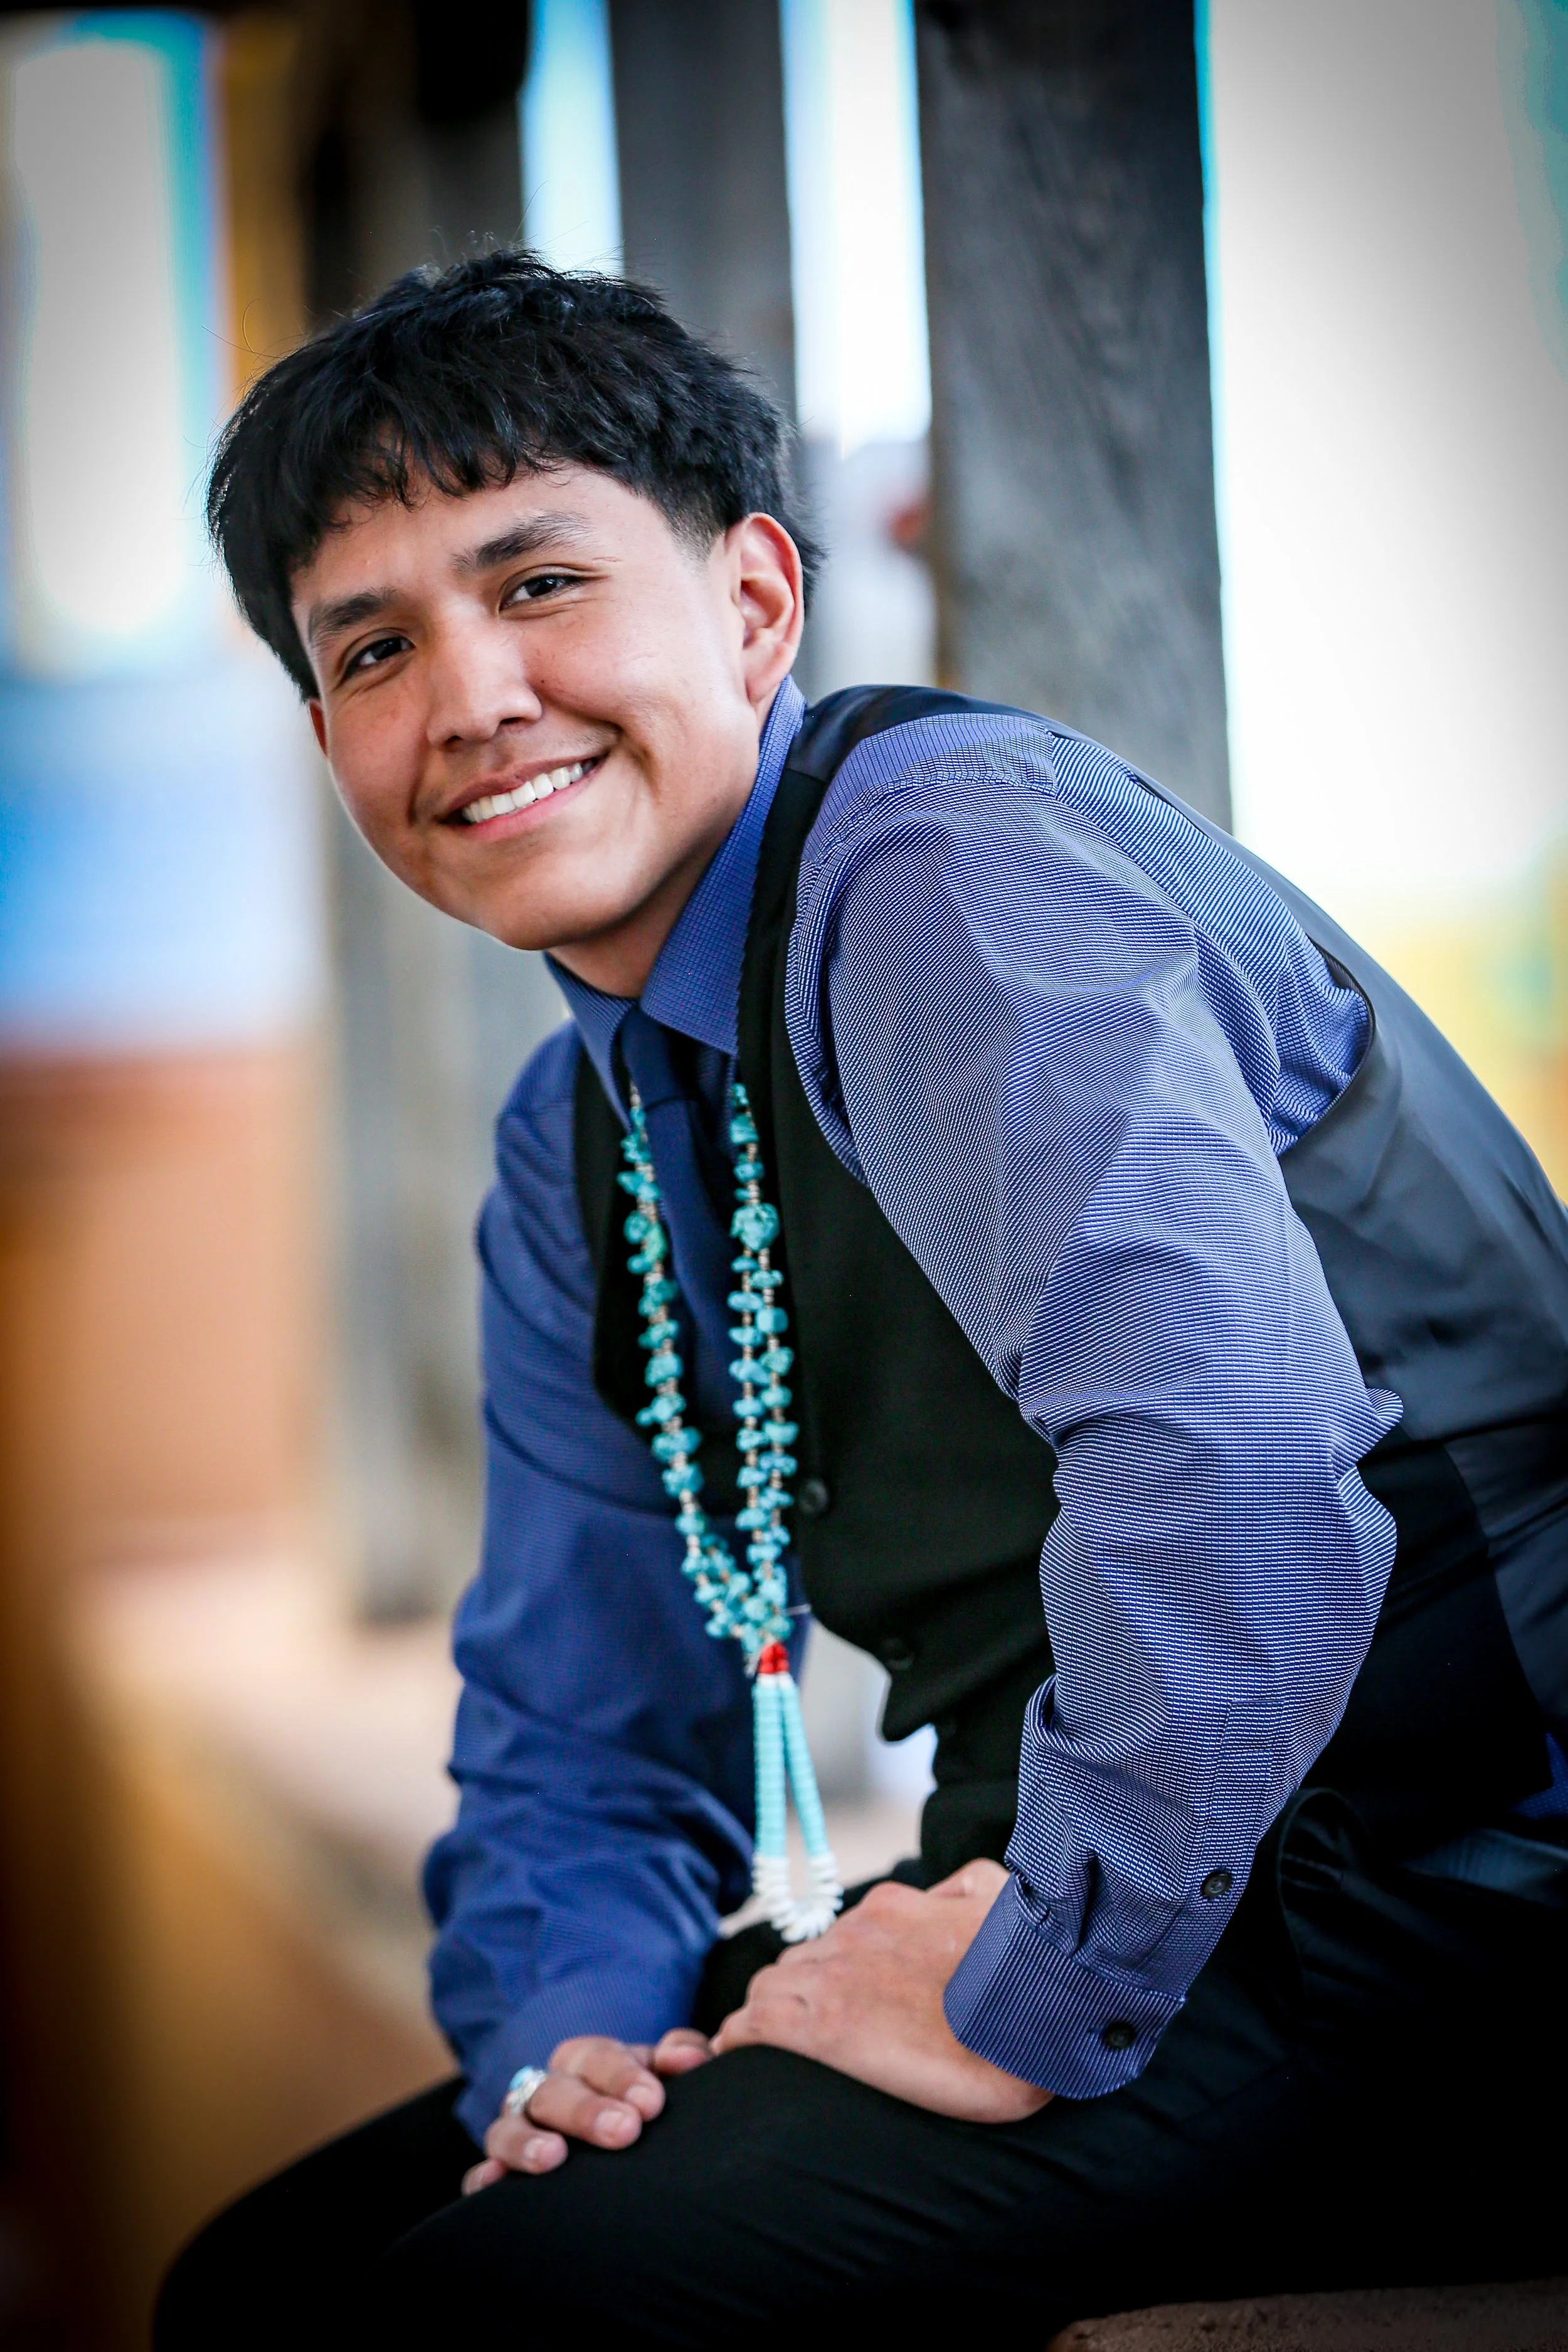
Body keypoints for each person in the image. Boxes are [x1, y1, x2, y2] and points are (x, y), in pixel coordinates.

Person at [156, 250, 1568, 2349]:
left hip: (1439, 1899)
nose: (465, 698)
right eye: (373, 645)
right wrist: (569, 2043)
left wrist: (1023, 1987)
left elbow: (1235, 1460)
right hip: (1098, 1892)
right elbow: (580, 1719)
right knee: (257, 2284)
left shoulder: (939, 869)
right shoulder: (580, 1146)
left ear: (750, 604)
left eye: (537, 582)